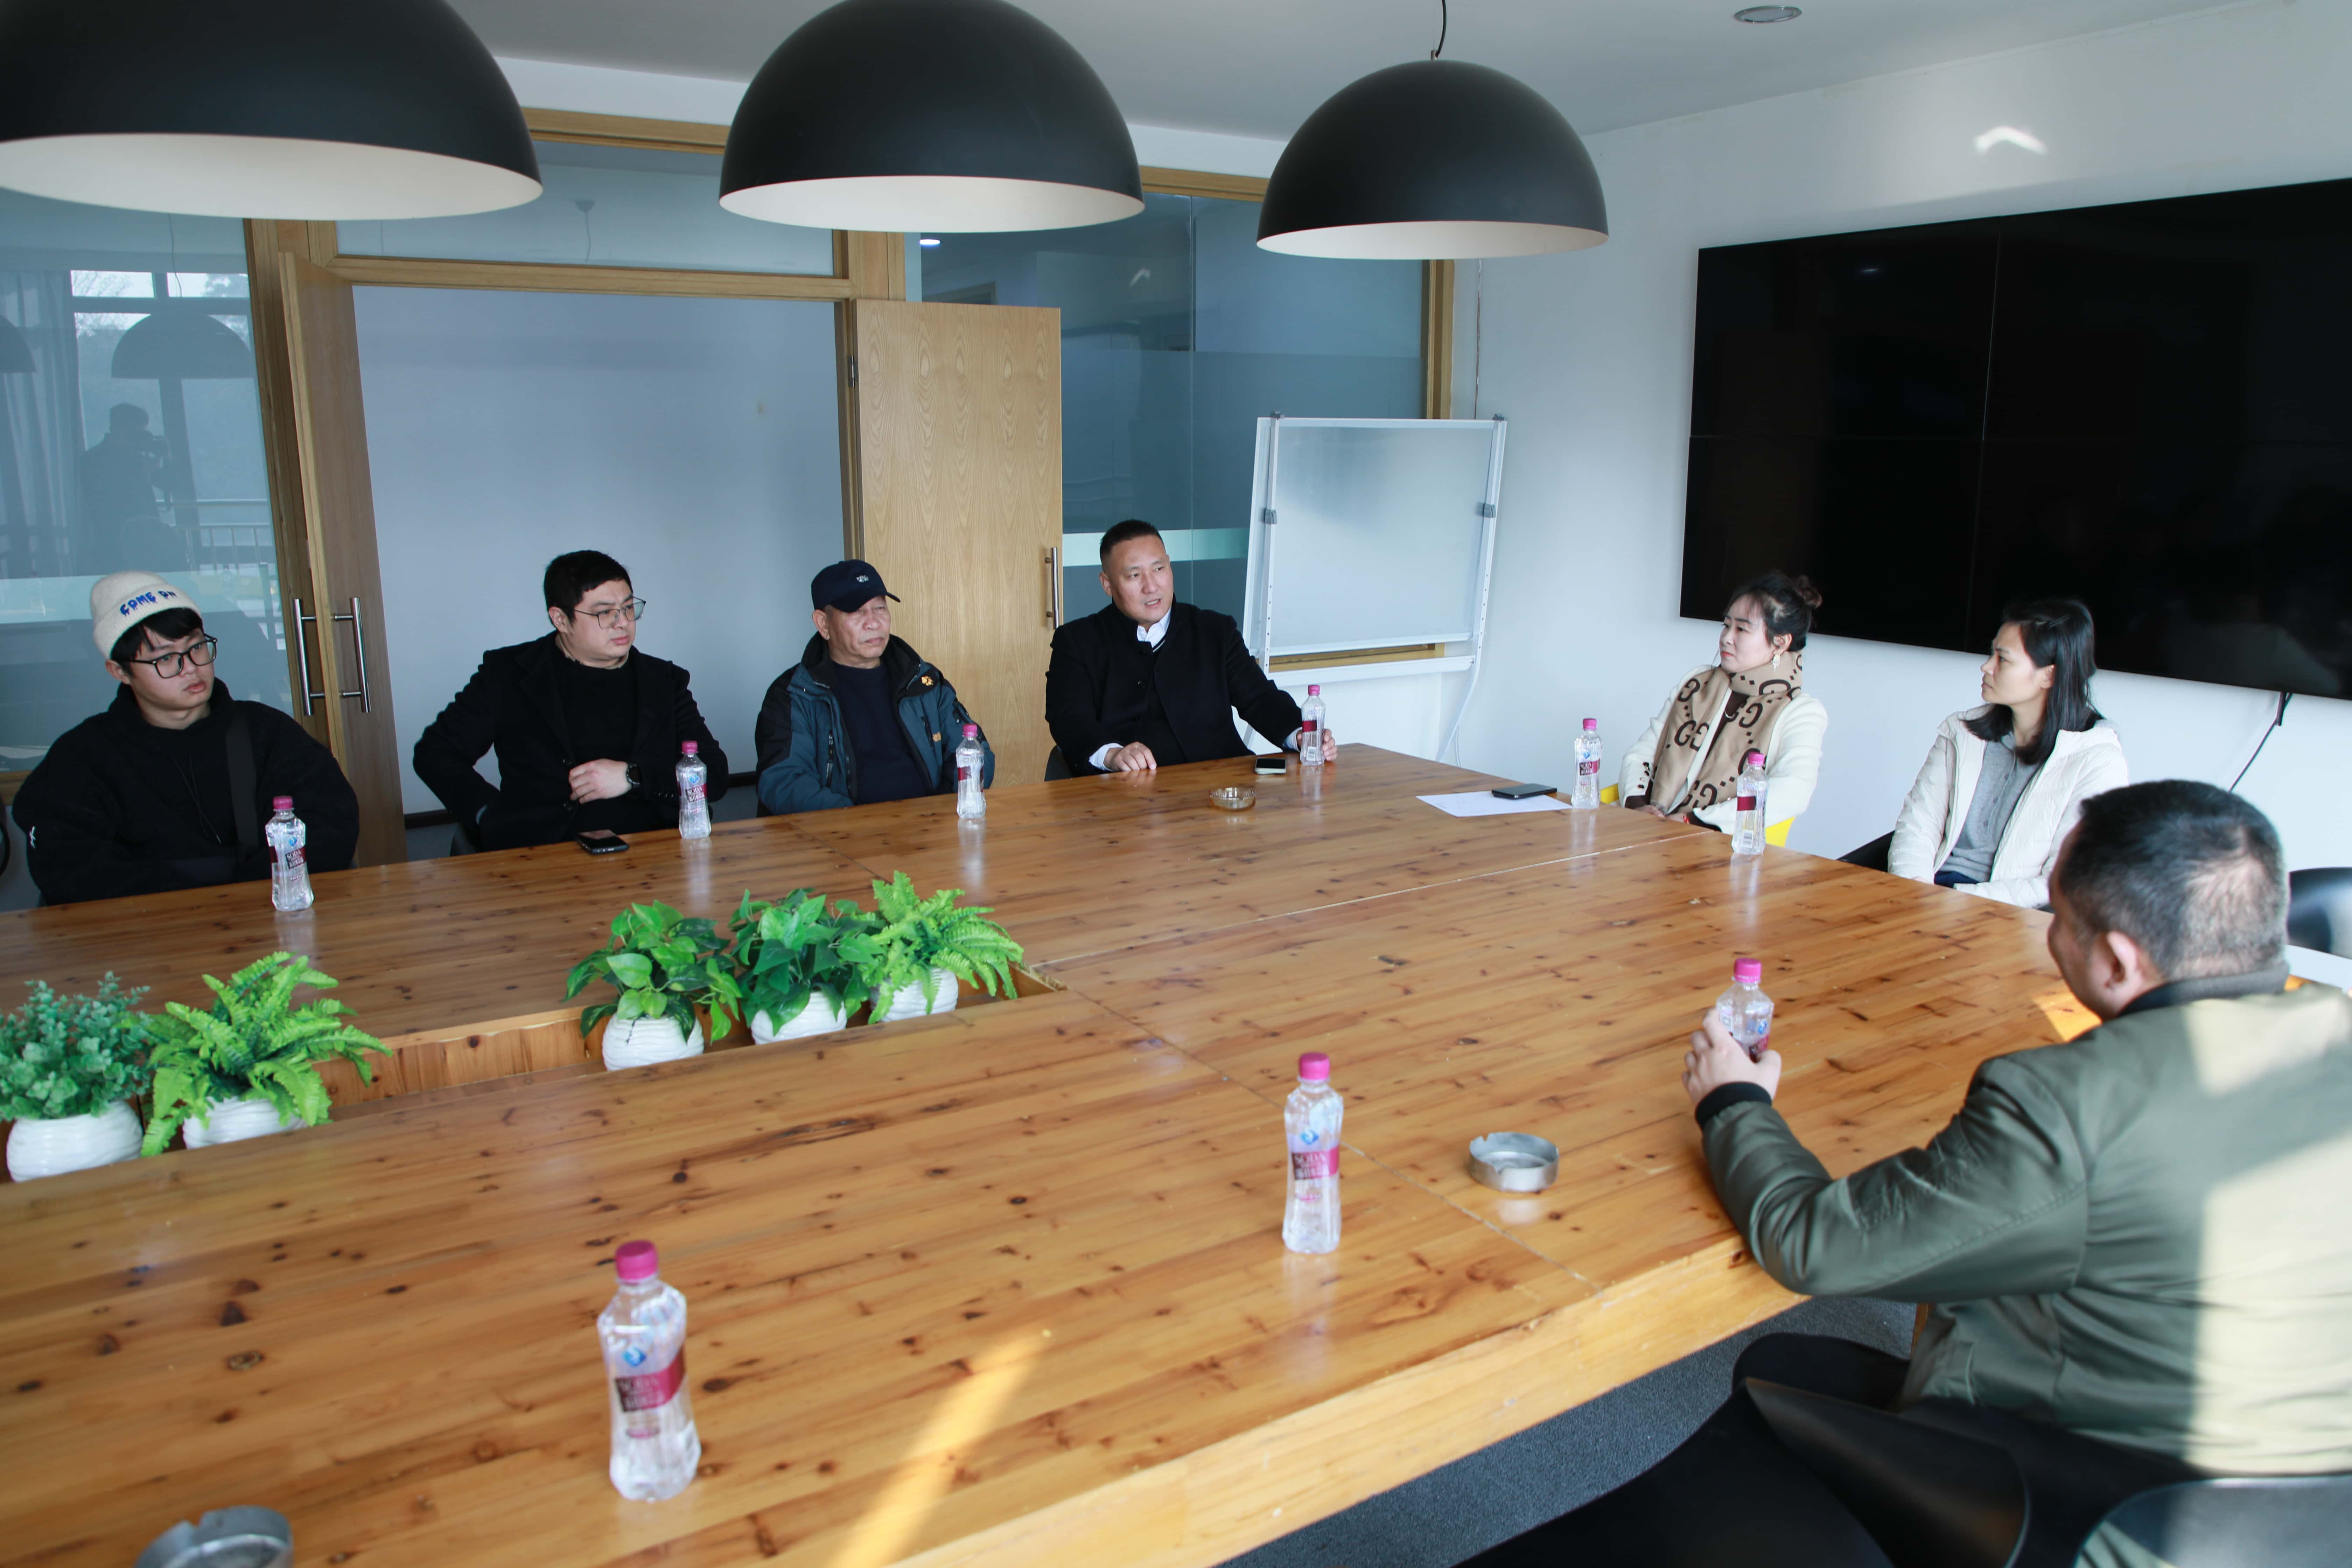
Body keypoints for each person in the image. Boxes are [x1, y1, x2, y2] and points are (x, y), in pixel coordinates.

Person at [1472, 782, 2352, 1568]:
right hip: (2312, 1505)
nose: (2050, 934)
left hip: (2101, 1512)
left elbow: (1814, 1245)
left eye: (2056, 916)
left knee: (1774, 1423)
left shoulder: (2067, 1103)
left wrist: (1733, 1104)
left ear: (2118, 961)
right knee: (1786, 1362)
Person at [11, 570, 358, 905]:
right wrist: (198, 903)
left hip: (267, 916)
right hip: (148, 934)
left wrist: (240, 899)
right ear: (120, 671)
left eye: (197, 647)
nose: (191, 667)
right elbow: (71, 868)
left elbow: (331, 823)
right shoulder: (82, 757)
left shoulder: (267, 731)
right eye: (166, 658)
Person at [413, 551, 726, 850]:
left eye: (629, 608)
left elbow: (715, 772)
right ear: (561, 620)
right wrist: (488, 814)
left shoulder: (664, 681)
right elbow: (435, 753)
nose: (623, 623)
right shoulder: (508, 674)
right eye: (605, 613)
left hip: (654, 846)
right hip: (542, 852)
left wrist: (634, 776)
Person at [1887, 598, 2128, 907]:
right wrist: (1916, 893)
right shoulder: (1961, 732)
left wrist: (1954, 902)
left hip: (2009, 912)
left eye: (2003, 659)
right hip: (1928, 893)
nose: (1987, 667)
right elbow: (1918, 824)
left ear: (2049, 676)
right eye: (1992, 654)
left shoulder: (2097, 759)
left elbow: (2066, 877)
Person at [1046, 520, 1324, 775]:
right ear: (1107, 584)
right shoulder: (1077, 641)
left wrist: (1299, 734)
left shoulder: (1215, 631)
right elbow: (1069, 718)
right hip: (1127, 792)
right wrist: (1112, 755)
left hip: (1222, 785)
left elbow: (1259, 698)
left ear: (1170, 567)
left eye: (1159, 569)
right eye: (1134, 576)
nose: (1151, 587)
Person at [754, 560, 993, 814]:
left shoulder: (923, 682)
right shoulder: (795, 694)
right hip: (843, 832)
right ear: (824, 624)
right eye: (857, 612)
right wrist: (859, 824)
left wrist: (939, 813)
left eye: (880, 608)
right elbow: (783, 781)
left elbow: (976, 753)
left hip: (929, 827)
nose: (874, 622)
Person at [1619, 570, 1827, 833]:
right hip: (1647, 827)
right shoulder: (1698, 683)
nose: (1727, 638)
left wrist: (1693, 821)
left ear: (1780, 643)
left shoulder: (1800, 711)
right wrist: (1639, 808)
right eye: (1726, 626)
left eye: (1742, 629)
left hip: (1716, 843)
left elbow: (1792, 792)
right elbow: (1642, 754)